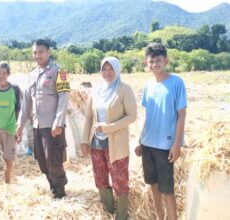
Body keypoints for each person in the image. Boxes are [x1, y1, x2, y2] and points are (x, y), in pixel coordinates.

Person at [135, 43, 187, 220]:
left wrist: (177, 144)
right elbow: (148, 116)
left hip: (165, 145)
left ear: (166, 61)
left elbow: (181, 115)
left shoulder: (176, 83)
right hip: (148, 144)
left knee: (167, 190)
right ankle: (159, 217)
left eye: (158, 60)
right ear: (146, 63)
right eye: (151, 61)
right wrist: (140, 141)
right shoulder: (148, 86)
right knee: (153, 186)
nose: (155, 64)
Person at [81, 57, 137, 219]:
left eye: (111, 69)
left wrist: (110, 128)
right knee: (100, 177)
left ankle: (121, 216)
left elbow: (131, 116)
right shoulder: (96, 90)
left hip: (116, 144)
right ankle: (108, 212)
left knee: (120, 180)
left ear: (117, 70)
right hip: (97, 143)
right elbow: (89, 117)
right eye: (104, 69)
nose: (107, 73)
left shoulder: (124, 89)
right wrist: (85, 141)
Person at [16, 39, 70, 199]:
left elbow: (64, 97)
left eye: (40, 52)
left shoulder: (60, 71)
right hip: (37, 126)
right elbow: (26, 102)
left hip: (53, 126)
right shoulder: (31, 75)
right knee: (42, 160)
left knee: (54, 159)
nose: (37, 55)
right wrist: (20, 124)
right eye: (34, 52)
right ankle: (53, 186)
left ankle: (59, 192)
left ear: (48, 52)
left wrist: (58, 123)